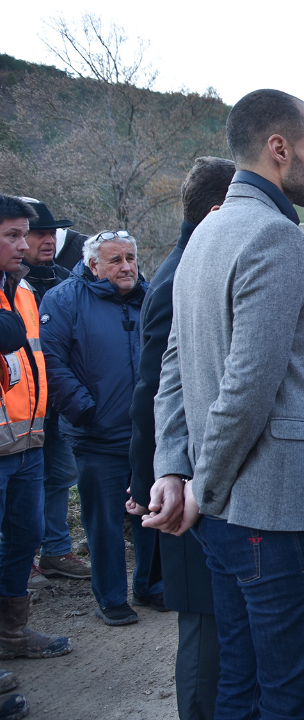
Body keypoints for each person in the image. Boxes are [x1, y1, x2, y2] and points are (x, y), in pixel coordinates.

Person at [147, 88, 304, 720]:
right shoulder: (273, 236)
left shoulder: (204, 235)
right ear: (278, 150)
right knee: (290, 697)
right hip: (273, 514)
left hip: (224, 517)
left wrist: (173, 471)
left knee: (241, 687)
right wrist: (197, 483)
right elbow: (246, 390)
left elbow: (172, 368)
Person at [127, 157, 235, 720]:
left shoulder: (193, 263)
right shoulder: (181, 275)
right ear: (220, 209)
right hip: (184, 477)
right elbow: (154, 387)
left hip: (191, 475)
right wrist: (150, 478)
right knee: (204, 630)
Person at [40, 229, 158, 626]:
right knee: (104, 522)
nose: (126, 267)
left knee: (150, 513)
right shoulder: (63, 300)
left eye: (131, 258)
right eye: (115, 260)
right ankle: (110, 598)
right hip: (96, 435)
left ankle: (150, 584)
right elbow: (52, 365)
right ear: (93, 265)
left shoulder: (151, 296)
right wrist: (86, 412)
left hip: (146, 434)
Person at [0, 195, 72, 720]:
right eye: (11, 235)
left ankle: (13, 631)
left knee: (24, 538)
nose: (24, 245)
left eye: (24, 234)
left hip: (26, 442)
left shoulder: (22, 289)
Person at [16, 199, 89, 590]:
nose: (48, 239)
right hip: (18, 406)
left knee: (59, 474)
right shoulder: (10, 284)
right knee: (18, 481)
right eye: (37, 233)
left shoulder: (64, 277)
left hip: (56, 401)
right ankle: (20, 557)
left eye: (50, 232)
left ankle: (56, 551)